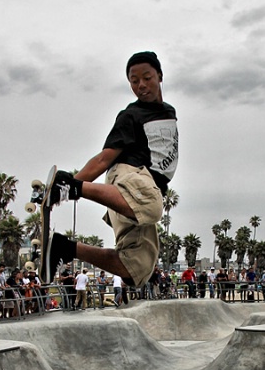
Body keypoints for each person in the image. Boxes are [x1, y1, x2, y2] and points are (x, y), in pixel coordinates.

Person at [43, 51, 178, 290]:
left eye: (146, 78)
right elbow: (104, 158)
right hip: (130, 178)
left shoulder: (168, 112)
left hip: (142, 193)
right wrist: (70, 186)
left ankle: (65, 248)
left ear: (160, 75)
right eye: (134, 81)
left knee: (137, 268)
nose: (141, 85)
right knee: (152, 206)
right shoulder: (130, 115)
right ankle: (68, 186)